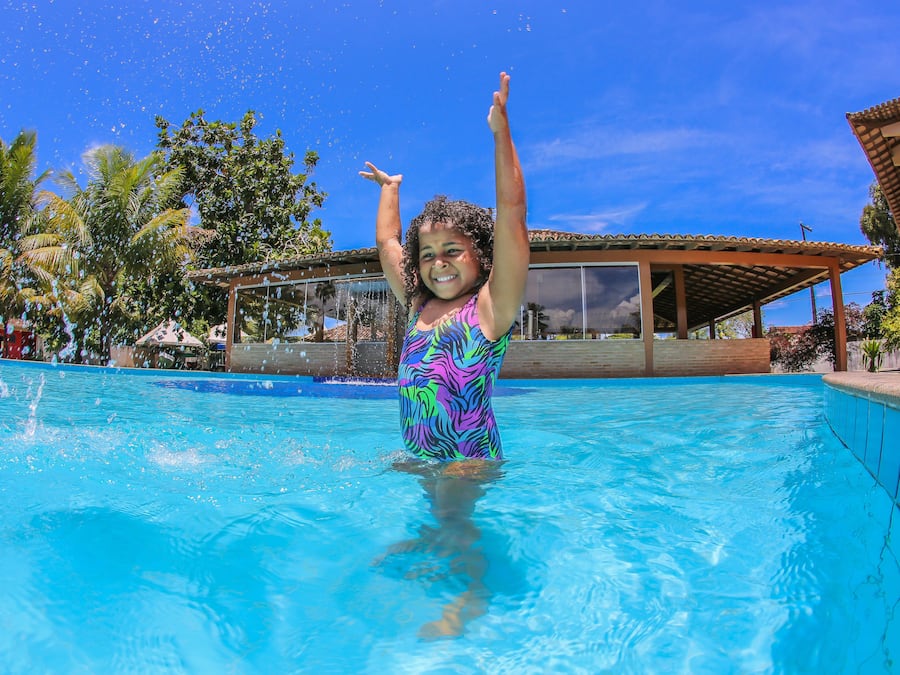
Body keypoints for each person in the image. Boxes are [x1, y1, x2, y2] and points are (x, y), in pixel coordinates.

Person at [359, 71, 528, 462]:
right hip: (421, 458)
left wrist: (502, 135)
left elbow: (513, 215)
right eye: (428, 253)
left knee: (445, 525)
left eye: (452, 250)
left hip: (469, 464)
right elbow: (387, 245)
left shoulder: (489, 308)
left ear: (482, 255)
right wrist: (390, 190)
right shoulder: (418, 305)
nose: (439, 263)